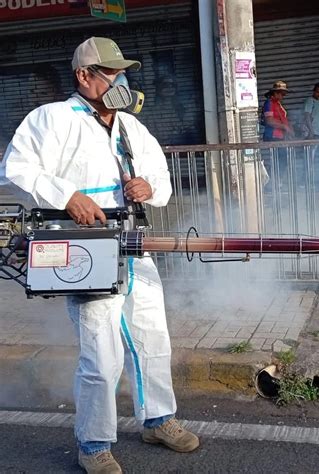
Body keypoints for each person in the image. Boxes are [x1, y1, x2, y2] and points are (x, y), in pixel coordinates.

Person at [0, 37, 199, 474]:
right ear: (84, 76)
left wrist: (150, 187)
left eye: (121, 72)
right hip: (85, 248)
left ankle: (158, 419)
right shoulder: (50, 120)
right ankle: (93, 443)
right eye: (110, 73)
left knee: (152, 340)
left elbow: (161, 177)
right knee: (100, 353)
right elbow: (15, 168)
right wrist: (66, 195)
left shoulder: (131, 127)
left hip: (134, 245)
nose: (119, 80)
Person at [261, 80, 294, 187]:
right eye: (281, 93)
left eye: (283, 94)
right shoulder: (269, 103)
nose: (282, 96)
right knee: (279, 160)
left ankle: (276, 182)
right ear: (275, 93)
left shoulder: (278, 105)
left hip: (280, 137)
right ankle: (274, 182)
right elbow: (269, 121)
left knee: (282, 160)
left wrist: (289, 129)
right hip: (273, 137)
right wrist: (284, 126)